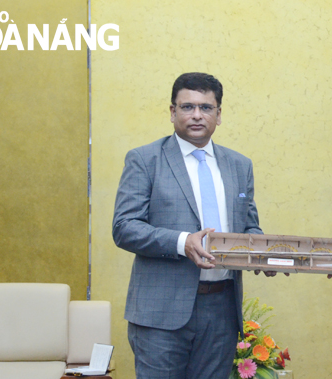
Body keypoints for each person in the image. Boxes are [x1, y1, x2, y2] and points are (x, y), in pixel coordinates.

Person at [112, 72, 263, 379]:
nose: (197, 115)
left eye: (206, 108)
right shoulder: (145, 159)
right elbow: (125, 227)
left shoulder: (239, 165)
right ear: (172, 112)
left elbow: (249, 227)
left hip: (221, 311)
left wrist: (266, 254)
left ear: (218, 115)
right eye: (187, 107)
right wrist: (183, 242)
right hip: (160, 314)